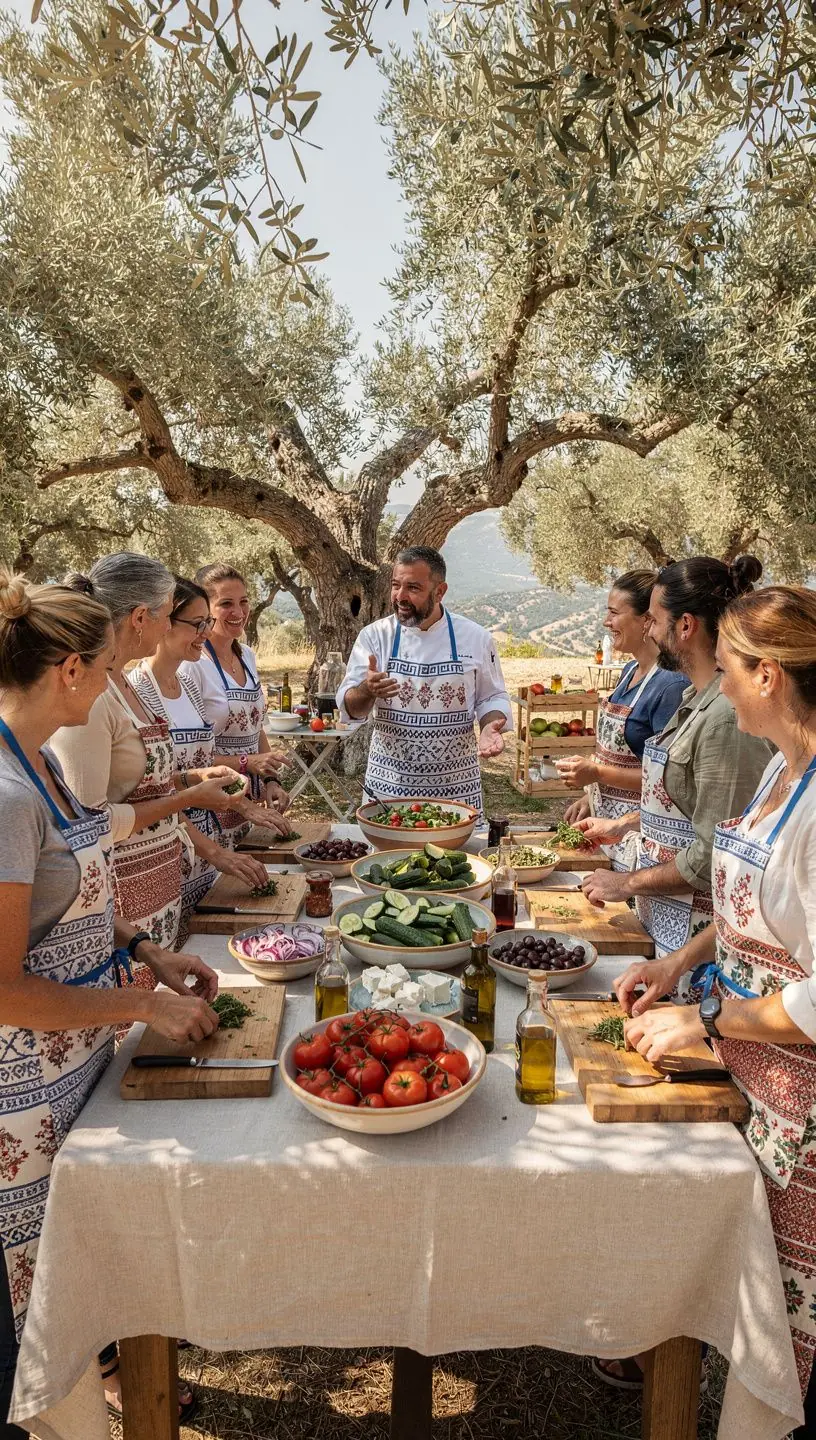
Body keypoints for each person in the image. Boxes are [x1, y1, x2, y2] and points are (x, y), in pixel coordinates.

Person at [0, 571, 220, 1438]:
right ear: (69, 672)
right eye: (101, 666)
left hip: (76, 1070)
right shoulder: (9, 798)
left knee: (95, 1280)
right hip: (23, 1098)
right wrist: (139, 1011)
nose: (110, 681)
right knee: (46, 1317)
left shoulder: (45, 767)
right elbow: (5, 987)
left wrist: (142, 951)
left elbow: (76, 901)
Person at [613, 586, 816, 1433]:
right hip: (748, 1079)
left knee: (788, 1346)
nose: (720, 688)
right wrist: (677, 961)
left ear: (767, 674)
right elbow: (739, 905)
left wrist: (706, 1020)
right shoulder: (779, 766)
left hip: (799, 1110)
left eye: (731, 671)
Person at [50, 554, 242, 986]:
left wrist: (190, 779)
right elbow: (91, 823)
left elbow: (135, 785)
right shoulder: (95, 696)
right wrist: (188, 798)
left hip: (158, 884)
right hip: (123, 898)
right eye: (167, 610)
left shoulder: (117, 682)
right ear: (140, 617)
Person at [578, 556, 772, 970]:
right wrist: (627, 824)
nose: (648, 628)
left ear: (685, 626)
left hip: (695, 936)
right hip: (663, 922)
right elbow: (687, 806)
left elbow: (712, 856)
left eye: (653, 619)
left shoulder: (725, 719)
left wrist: (625, 883)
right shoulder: (694, 702)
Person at [133, 577, 284, 916]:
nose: (206, 631)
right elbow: (154, 792)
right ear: (163, 623)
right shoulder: (138, 692)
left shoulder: (186, 685)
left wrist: (245, 807)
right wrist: (213, 852)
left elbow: (203, 766)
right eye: (198, 623)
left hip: (210, 842)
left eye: (206, 622)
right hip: (172, 847)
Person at [337, 546, 512, 815]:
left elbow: (492, 697)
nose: (400, 597)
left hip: (457, 791)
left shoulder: (476, 638)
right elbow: (351, 709)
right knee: (389, 857)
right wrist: (367, 690)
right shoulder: (375, 637)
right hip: (390, 790)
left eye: (413, 588)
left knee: (456, 857)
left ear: (440, 592)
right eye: (396, 585)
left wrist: (490, 727)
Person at [555, 570, 688, 869]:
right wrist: (591, 797)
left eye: (615, 613)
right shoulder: (629, 671)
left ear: (646, 620)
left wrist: (597, 774)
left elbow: (670, 783)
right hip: (605, 831)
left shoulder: (670, 687)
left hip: (638, 838)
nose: (606, 622)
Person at [184, 563, 291, 846]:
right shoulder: (193, 665)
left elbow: (256, 730)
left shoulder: (248, 656)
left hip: (251, 805)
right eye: (226, 604)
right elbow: (190, 757)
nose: (239, 612)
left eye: (243, 602)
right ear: (204, 610)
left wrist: (271, 781)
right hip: (213, 806)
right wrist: (247, 762)